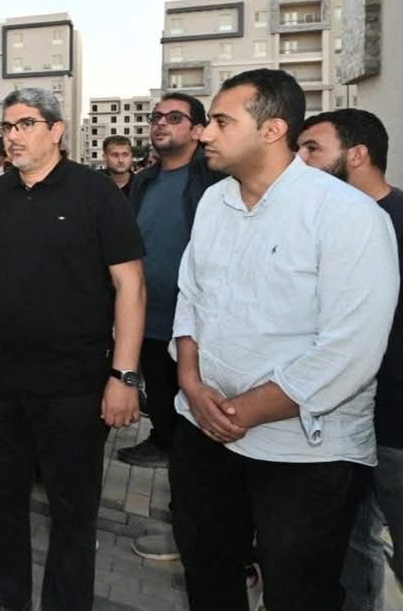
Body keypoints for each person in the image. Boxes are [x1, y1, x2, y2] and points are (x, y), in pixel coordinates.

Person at [169, 70, 398, 610]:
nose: (205, 133)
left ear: (272, 130)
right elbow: (191, 297)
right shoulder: (214, 202)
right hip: (203, 431)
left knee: (299, 593)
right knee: (208, 574)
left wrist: (242, 411)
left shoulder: (348, 215)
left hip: (303, 454)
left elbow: (351, 351)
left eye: (222, 122)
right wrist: (191, 384)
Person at [0, 87, 147, 611]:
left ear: (56, 131)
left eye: (25, 124)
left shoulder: (96, 193)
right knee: (3, 497)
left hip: (73, 386)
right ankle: (7, 596)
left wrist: (124, 376)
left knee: (72, 509)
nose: (13, 136)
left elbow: (130, 285)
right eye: (6, 126)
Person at [296, 110, 403, 611]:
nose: (300, 161)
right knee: (351, 555)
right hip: (335, 427)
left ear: (357, 155)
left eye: (313, 149)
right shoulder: (314, 224)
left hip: (396, 430)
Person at [121, 94, 224, 564]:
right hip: (147, 322)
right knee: (166, 422)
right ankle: (186, 524)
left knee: (197, 441)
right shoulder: (143, 181)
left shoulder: (215, 182)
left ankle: (200, 536)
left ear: (198, 130)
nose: (161, 123)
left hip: (197, 332)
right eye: (156, 117)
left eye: (175, 118)